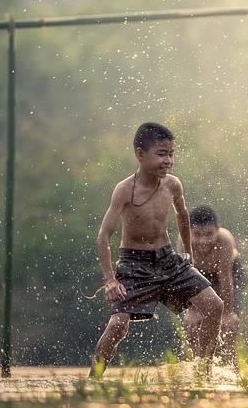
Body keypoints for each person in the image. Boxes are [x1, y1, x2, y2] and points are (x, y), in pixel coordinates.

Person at [89, 122, 223, 379]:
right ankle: (93, 379)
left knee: (215, 306)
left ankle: (203, 372)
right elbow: (103, 236)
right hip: (134, 263)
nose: (168, 161)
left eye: (171, 154)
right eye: (162, 154)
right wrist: (110, 280)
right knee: (118, 324)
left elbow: (183, 216)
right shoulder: (125, 190)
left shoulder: (173, 185)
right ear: (141, 154)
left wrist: (188, 257)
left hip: (169, 260)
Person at [180, 205, 248, 363]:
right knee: (194, 322)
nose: (203, 241)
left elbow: (225, 278)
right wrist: (192, 311)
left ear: (218, 229)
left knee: (229, 324)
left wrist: (227, 313)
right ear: (189, 231)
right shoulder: (184, 243)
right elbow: (186, 279)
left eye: (209, 234)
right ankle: (197, 363)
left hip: (230, 273)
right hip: (198, 275)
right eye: (197, 234)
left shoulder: (225, 240)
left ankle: (232, 362)